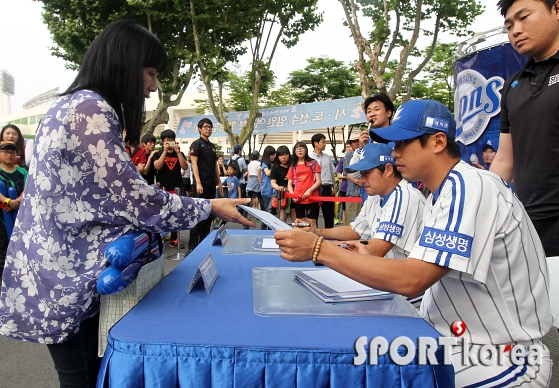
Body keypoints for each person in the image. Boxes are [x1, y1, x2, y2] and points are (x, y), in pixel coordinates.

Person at [0, 20, 253, 388]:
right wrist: (210, 206)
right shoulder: (91, 110)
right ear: (124, 63)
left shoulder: (66, 106)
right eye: (150, 73)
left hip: (52, 269)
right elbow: (134, 199)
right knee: (83, 379)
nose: (152, 87)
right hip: (66, 277)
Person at [276, 100, 552, 387]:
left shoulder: (470, 186)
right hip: (451, 341)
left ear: (437, 142)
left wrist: (318, 248)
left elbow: (413, 279)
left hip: (501, 355)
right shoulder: (442, 192)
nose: (394, 155)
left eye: (402, 144)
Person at [491, 0, 559, 256]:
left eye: (524, 17)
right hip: (528, 222)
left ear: (556, 9)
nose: (515, 30)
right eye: (509, 26)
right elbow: (505, 159)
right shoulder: (513, 85)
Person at [188, 118, 223, 252]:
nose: (208, 129)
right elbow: (194, 164)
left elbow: (215, 165)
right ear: (199, 129)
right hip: (200, 185)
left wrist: (219, 182)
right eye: (206, 127)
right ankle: (192, 246)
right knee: (198, 214)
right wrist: (198, 182)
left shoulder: (212, 146)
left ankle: (203, 243)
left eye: (210, 127)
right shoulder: (196, 144)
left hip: (211, 184)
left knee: (208, 214)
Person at [153, 129, 189, 249]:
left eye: (170, 140)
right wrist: (164, 151)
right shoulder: (158, 153)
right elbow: (157, 166)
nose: (168, 142)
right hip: (163, 188)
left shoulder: (179, 153)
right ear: (162, 142)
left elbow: (185, 166)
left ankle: (175, 238)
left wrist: (178, 153)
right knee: (162, 214)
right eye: (165, 140)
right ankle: (159, 238)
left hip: (176, 187)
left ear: (174, 141)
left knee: (176, 213)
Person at [0, 141, 27, 278]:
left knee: (19, 243)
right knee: (2, 247)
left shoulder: (22, 171)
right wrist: (7, 201)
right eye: (5, 152)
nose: (9, 154)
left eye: (12, 152)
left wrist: (16, 202)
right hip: (2, 214)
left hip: (19, 212)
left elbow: (27, 188)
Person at [287, 141, 322, 228]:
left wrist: (309, 190)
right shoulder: (293, 166)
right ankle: (302, 240)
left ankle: (313, 239)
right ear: (294, 151)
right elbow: (289, 184)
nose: (300, 150)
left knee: (312, 222)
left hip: (311, 197)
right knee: (301, 222)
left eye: (302, 148)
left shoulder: (313, 163)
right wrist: (293, 195)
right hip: (298, 199)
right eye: (297, 149)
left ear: (306, 150)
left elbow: (318, 181)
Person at [310, 134, 336, 228]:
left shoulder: (327, 157)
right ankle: (314, 237)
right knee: (314, 215)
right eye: (323, 142)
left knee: (329, 215)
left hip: (327, 188)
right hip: (314, 189)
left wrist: (334, 186)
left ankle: (330, 238)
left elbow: (332, 172)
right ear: (315, 143)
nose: (325, 144)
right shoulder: (309, 158)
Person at [270, 145, 294, 222]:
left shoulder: (293, 166)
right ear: (277, 157)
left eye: (285, 154)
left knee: (296, 220)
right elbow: (273, 183)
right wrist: (278, 187)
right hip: (281, 196)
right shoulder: (275, 167)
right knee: (282, 220)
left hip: (293, 195)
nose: (283, 157)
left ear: (289, 155)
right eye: (280, 155)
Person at [343, 133, 362, 223]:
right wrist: (357, 181)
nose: (356, 143)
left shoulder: (367, 153)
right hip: (352, 192)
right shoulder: (348, 156)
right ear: (350, 144)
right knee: (351, 219)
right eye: (354, 141)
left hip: (366, 193)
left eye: (358, 140)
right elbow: (346, 173)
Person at [336, 142, 353, 224]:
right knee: (345, 209)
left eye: (350, 147)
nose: (349, 149)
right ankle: (345, 226)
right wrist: (349, 177)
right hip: (345, 188)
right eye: (347, 147)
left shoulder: (358, 157)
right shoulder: (342, 160)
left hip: (356, 189)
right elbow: (338, 175)